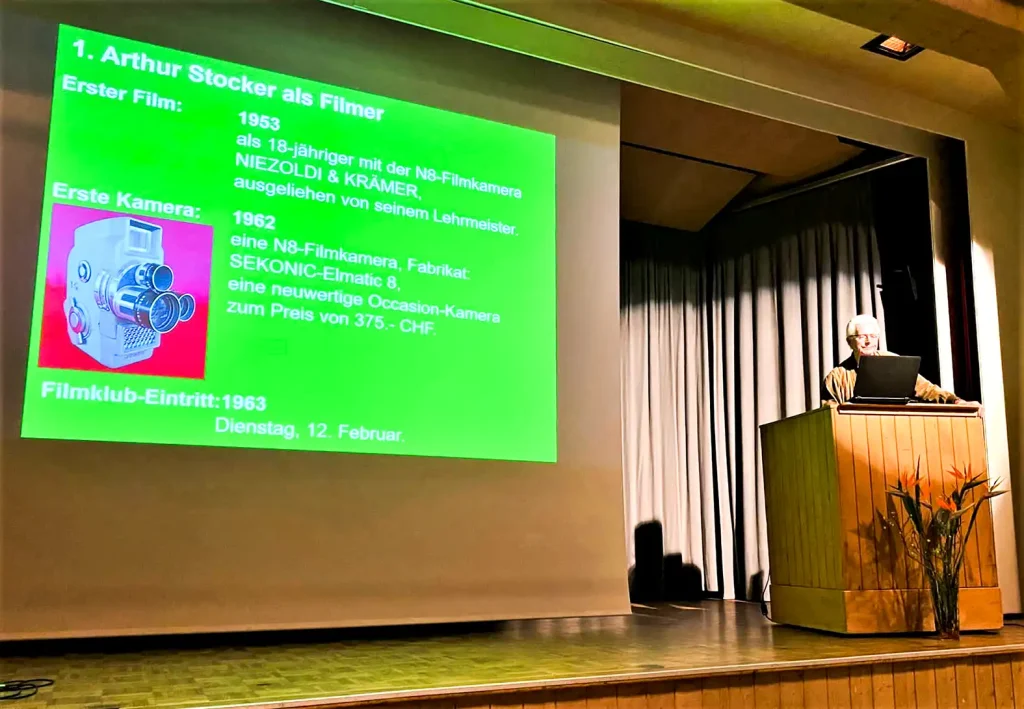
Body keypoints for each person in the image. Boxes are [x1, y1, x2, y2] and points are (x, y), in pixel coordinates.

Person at [822, 314, 968, 405]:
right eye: (862, 336)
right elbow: (830, 415)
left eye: (873, 336)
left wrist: (955, 401)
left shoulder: (893, 362)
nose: (869, 341)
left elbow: (927, 390)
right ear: (850, 342)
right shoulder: (836, 377)